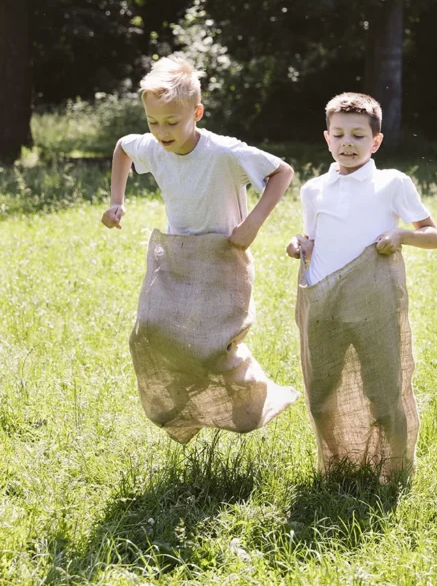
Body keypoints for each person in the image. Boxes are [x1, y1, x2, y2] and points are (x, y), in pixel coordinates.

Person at [101, 53, 297, 443]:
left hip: (224, 255)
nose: (162, 131)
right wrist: (116, 200)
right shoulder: (152, 146)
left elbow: (282, 172)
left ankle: (261, 396)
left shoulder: (224, 152)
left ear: (198, 112)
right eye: (153, 122)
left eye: (172, 122)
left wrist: (252, 223)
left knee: (212, 348)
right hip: (177, 255)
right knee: (150, 332)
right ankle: (183, 410)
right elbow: (123, 148)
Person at [287, 92, 437, 477]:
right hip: (324, 303)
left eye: (358, 136)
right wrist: (298, 245)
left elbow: (434, 235)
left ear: (376, 141)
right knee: (322, 394)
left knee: (383, 393)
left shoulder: (391, 183)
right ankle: (337, 466)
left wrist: (401, 235)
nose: (347, 143)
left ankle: (395, 470)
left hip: (375, 301)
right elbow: (312, 239)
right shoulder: (313, 190)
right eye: (338, 135)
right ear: (327, 138)